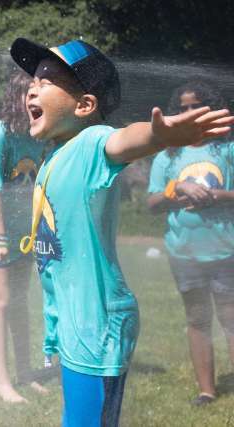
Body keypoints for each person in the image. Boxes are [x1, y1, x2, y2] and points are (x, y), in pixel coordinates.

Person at [10, 37, 234, 426]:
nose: (33, 86)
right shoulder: (56, 154)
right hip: (75, 317)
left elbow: (123, 139)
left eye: (47, 80)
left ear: (84, 106)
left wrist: (159, 136)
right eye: (33, 80)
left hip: (97, 323)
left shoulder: (89, 142)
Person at [147, 81, 234, 406]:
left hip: (226, 250)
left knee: (230, 318)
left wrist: (217, 196)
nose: (188, 113)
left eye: (195, 106)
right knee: (197, 319)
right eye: (181, 108)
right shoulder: (168, 155)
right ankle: (206, 390)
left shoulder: (227, 149)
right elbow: (153, 203)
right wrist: (177, 188)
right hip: (183, 252)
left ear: (208, 109)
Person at [0, 72, 48, 403]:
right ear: (17, 98)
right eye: (29, 94)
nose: (35, 100)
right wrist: (0, 238)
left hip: (23, 231)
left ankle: (25, 374)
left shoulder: (37, 135)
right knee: (1, 302)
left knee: (20, 303)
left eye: (39, 95)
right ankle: (2, 382)